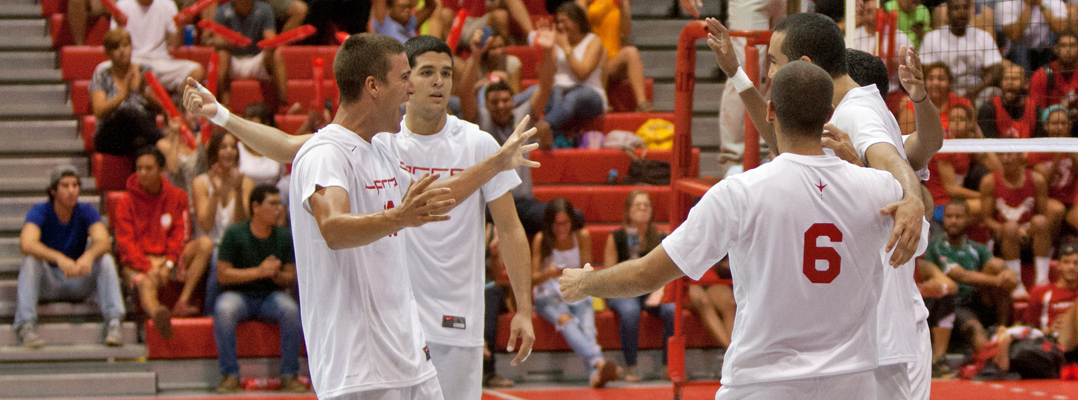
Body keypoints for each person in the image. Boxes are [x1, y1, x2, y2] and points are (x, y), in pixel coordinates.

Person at [184, 33, 539, 398]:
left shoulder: (383, 148)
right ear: (373, 86)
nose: (412, 89)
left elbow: (436, 200)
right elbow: (333, 227)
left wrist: (495, 163)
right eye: (407, 77)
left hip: (411, 350)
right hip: (358, 362)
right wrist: (221, 115)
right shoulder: (331, 154)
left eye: (443, 73)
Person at [560, 60, 908, 399]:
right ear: (829, 115)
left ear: (770, 112)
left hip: (764, 382)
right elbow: (913, 184)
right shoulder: (881, 188)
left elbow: (646, 275)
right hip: (852, 382)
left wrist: (585, 283)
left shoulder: (739, 192)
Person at [706, 14, 937, 400]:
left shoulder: (857, 115)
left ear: (805, 66)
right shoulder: (852, 108)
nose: (771, 72)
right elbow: (785, 140)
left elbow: (895, 167)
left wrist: (911, 198)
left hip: (886, 339)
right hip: (867, 337)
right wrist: (736, 74)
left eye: (775, 62)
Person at [14, 166, 126, 348]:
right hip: (49, 282)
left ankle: (114, 323)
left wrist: (88, 256)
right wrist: (58, 257)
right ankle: (26, 327)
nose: (72, 191)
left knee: (105, 258)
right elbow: (26, 244)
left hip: (77, 278)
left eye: (75, 185)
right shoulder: (40, 211)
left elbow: (104, 242)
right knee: (30, 260)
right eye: (65, 186)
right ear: (53, 190)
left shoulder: (85, 211)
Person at [462, 27, 558, 234]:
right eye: (494, 102)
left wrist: (548, 52)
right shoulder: (481, 119)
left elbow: (546, 87)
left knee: (566, 217)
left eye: (506, 100)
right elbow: (465, 95)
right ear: (486, 105)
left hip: (523, 203)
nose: (501, 105)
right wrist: (476, 56)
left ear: (513, 101)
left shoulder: (523, 115)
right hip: (489, 204)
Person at [212, 185, 305, 394]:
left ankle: (289, 375)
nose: (279, 209)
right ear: (255, 207)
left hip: (270, 296)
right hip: (239, 295)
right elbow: (223, 274)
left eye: (279, 204)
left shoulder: (283, 236)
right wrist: (259, 271)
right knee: (224, 309)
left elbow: (290, 276)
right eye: (272, 204)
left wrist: (276, 275)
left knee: (290, 310)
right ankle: (230, 375)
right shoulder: (235, 233)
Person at [113, 147, 215, 339]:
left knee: (205, 244)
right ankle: (158, 314)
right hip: (141, 262)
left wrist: (168, 263)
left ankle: (182, 302)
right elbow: (126, 243)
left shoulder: (177, 196)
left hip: (171, 259)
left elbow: (181, 235)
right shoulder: (125, 202)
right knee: (144, 282)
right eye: (139, 168)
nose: (142, 173)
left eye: (148, 168)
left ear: (161, 170)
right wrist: (147, 266)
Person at [531, 197, 618, 387]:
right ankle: (598, 361)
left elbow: (587, 271)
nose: (561, 228)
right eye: (556, 224)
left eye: (565, 223)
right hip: (549, 296)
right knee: (567, 321)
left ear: (572, 222)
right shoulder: (541, 239)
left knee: (587, 327)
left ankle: (595, 376)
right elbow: (532, 278)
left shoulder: (582, 236)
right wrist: (548, 273)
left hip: (576, 290)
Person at [923, 200, 1014, 357]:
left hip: (979, 298)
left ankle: (1002, 327)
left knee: (998, 265)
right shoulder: (937, 246)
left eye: (959, 216)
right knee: (975, 327)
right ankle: (990, 361)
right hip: (953, 303)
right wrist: (1000, 280)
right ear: (943, 219)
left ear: (968, 220)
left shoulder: (977, 247)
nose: (953, 221)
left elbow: (999, 269)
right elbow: (960, 275)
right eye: (949, 216)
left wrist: (1009, 275)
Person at [602, 190, 674, 382]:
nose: (642, 209)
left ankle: (668, 366)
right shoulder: (617, 237)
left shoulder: (660, 237)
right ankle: (630, 366)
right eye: (638, 205)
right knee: (630, 311)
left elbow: (667, 272)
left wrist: (660, 291)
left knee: (672, 310)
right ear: (628, 211)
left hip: (652, 290)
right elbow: (608, 275)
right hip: (623, 290)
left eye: (646, 205)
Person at [980, 151, 1058, 297]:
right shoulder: (989, 181)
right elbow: (987, 219)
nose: (1005, 158)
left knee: (1041, 222)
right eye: (1002, 155)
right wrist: (1007, 229)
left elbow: (1041, 213)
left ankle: (1042, 281)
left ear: (1021, 156)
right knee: (1011, 227)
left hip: (1029, 234)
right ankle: (1016, 284)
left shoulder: (1036, 179)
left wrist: (1026, 229)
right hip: (1003, 236)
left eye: (1010, 154)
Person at [90, 28, 163, 157]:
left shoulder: (145, 70)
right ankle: (162, 139)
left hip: (139, 134)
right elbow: (98, 110)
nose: (122, 51)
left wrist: (145, 95)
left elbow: (161, 108)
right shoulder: (102, 74)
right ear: (108, 53)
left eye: (126, 45)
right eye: (116, 47)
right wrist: (123, 95)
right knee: (127, 112)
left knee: (142, 145)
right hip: (111, 135)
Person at [112, 0, 205, 92]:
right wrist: (119, 27)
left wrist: (180, 26)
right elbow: (113, 42)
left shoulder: (167, 4)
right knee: (104, 68)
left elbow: (176, 45)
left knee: (196, 71)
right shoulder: (123, 5)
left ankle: (179, 103)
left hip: (160, 62)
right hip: (133, 62)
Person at [920, 0, 1005, 100]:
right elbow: (925, 69)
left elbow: (997, 69)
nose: (962, 12)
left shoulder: (983, 36)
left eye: (965, 8)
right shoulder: (932, 38)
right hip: (943, 91)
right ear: (948, 12)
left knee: (995, 93)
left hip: (976, 90)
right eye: (956, 8)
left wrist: (976, 89)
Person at [547, 2, 606, 144]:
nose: (561, 26)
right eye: (558, 22)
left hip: (589, 93)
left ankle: (545, 126)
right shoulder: (558, 42)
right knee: (531, 92)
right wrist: (547, 50)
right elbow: (549, 74)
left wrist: (566, 48)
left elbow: (582, 73)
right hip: (560, 90)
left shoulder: (593, 41)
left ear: (578, 21)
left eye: (564, 22)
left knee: (571, 98)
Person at [211, 0, 288, 107]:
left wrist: (270, 43)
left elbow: (270, 38)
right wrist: (230, 42)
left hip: (257, 58)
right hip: (232, 60)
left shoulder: (264, 9)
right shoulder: (222, 11)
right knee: (221, 54)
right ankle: (226, 104)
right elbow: (217, 41)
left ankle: (284, 104)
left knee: (277, 54)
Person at [191, 131, 255, 246]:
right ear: (215, 152)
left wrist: (238, 191)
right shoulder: (200, 183)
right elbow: (206, 226)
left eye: (233, 147)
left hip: (236, 247)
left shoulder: (246, 183)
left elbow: (242, 225)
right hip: (209, 247)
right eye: (224, 147)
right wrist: (215, 192)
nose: (229, 151)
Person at [1024, 242, 1078, 361]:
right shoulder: (1041, 292)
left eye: (1076, 263)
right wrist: (1048, 330)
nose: (1071, 267)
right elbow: (1028, 329)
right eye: (1067, 262)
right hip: (1051, 343)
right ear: (1058, 265)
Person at [899, 63, 973, 136]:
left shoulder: (963, 104)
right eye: (930, 79)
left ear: (949, 83)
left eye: (941, 79)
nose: (935, 83)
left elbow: (975, 135)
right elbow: (906, 143)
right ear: (924, 83)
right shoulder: (912, 108)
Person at [996, 0, 1069, 71]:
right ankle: (1024, 78)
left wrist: (1042, 5)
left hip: (1045, 46)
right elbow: (1013, 35)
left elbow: (1061, 29)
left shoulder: (1053, 2)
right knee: (1019, 50)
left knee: (1057, 42)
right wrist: (1028, 7)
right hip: (1019, 48)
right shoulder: (1007, 4)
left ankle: (1048, 76)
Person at [978, 64, 1039, 139]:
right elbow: (987, 143)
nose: (1009, 82)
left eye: (1014, 79)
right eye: (1006, 79)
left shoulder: (1035, 109)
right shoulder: (988, 108)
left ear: (1025, 83)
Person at [1030, 34, 1078, 110]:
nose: (1068, 49)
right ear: (1056, 49)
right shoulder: (1042, 75)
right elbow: (1036, 114)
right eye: (1063, 46)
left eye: (1072, 45)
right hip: (1050, 121)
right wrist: (1061, 109)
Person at [371, 0, 437, 43]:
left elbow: (431, 6)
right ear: (390, 8)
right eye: (402, 7)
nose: (407, 10)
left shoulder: (410, 23)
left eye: (410, 7)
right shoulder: (383, 21)